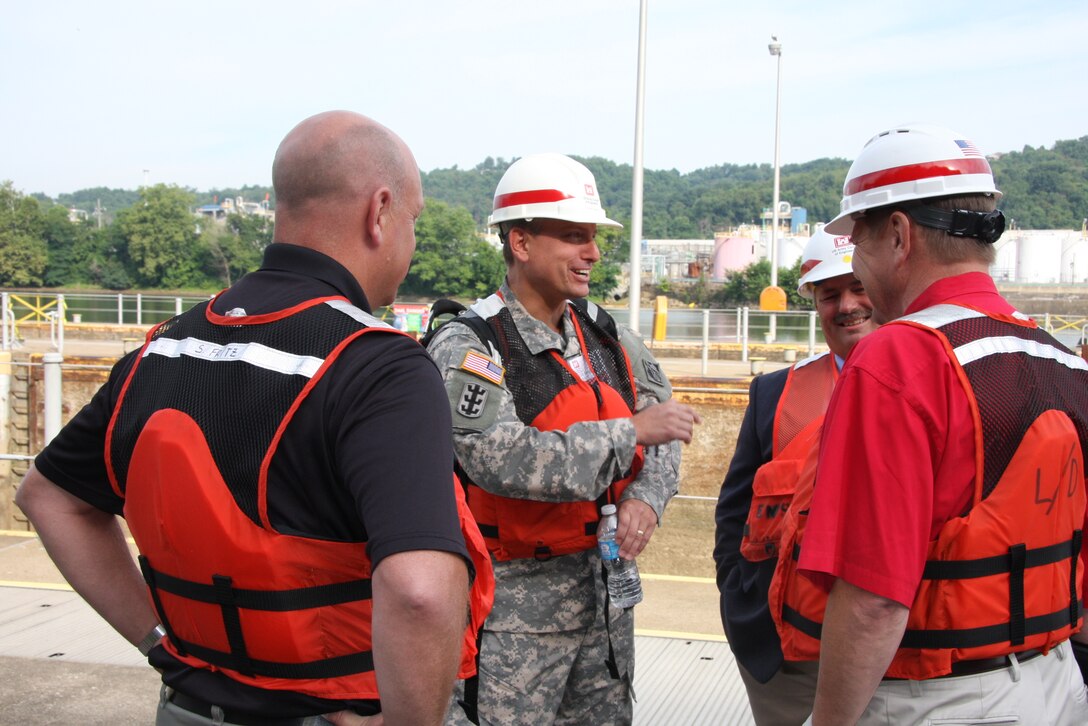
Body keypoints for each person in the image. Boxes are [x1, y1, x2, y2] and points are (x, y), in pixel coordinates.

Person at [14, 110, 493, 726]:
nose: (412, 240)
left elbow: (47, 497)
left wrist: (159, 644)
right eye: (414, 218)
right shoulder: (380, 367)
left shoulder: (159, 353)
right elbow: (421, 591)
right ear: (379, 211)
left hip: (187, 706)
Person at [773, 123, 1088, 725]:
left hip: (942, 700)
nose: (858, 272)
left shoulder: (901, 359)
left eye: (858, 245)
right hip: (1058, 682)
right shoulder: (1059, 357)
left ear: (897, 234)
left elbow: (872, 600)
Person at [424, 153, 700, 725]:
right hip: (513, 625)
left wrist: (646, 497)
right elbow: (496, 458)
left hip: (604, 615)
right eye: (574, 237)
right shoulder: (469, 345)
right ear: (521, 244)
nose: (593, 253)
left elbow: (667, 426)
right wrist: (629, 433)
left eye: (593, 238)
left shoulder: (606, 333)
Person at [713, 228, 877, 725]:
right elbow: (734, 511)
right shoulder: (775, 394)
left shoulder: (940, 384)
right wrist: (740, 600)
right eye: (830, 294)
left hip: (899, 649)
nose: (846, 305)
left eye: (859, 288)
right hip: (788, 660)